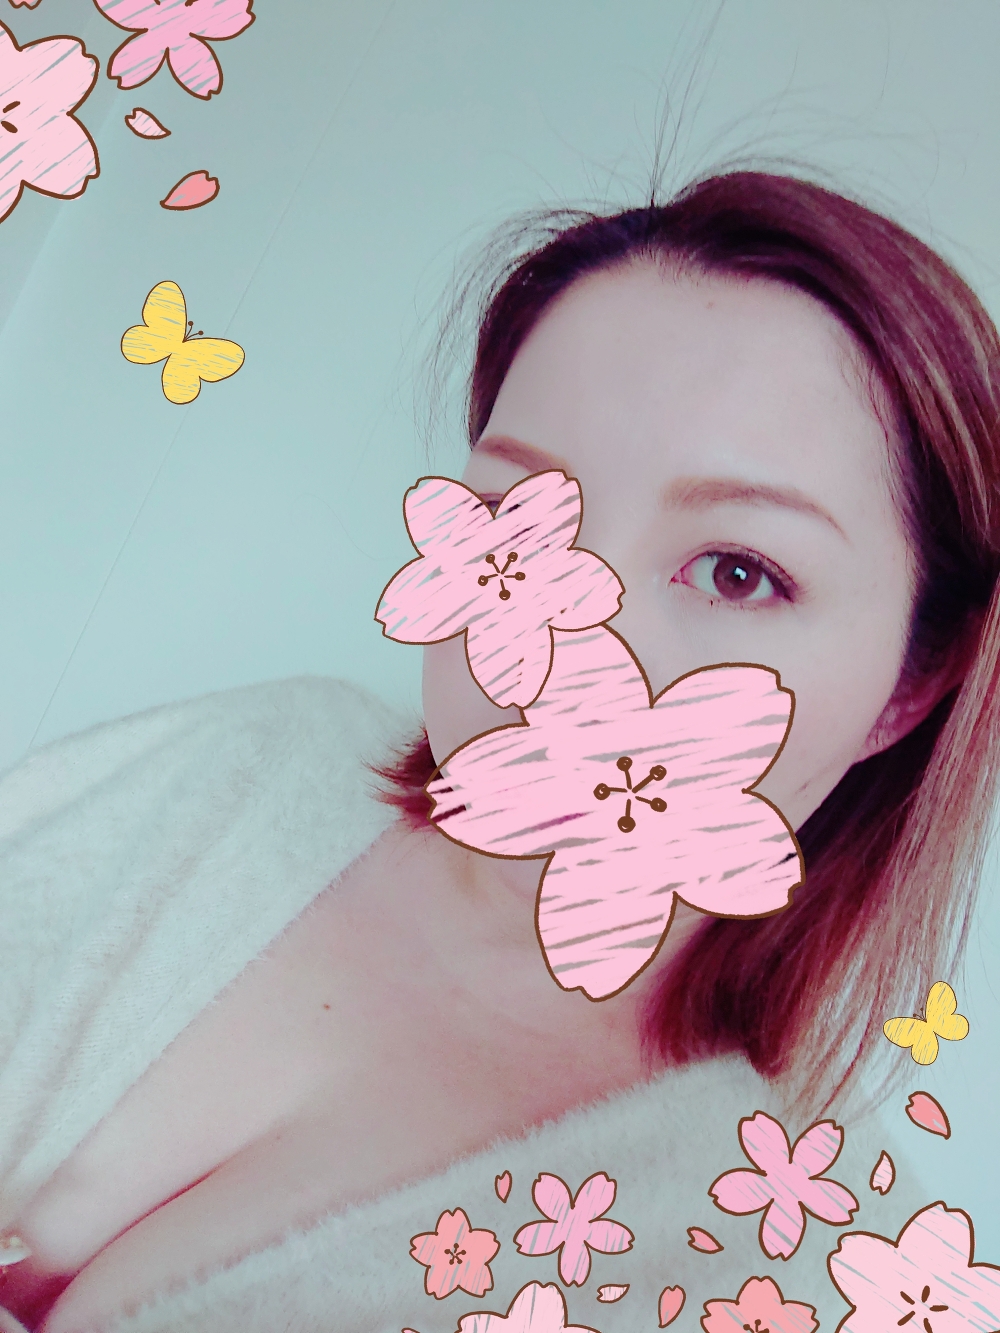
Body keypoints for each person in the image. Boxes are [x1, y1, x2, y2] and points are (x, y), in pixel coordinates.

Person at [0, 169, 996, 1333]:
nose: (568, 634)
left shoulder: (804, 1269)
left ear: (909, 686)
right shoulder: (252, 761)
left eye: (737, 572)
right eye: (519, 517)